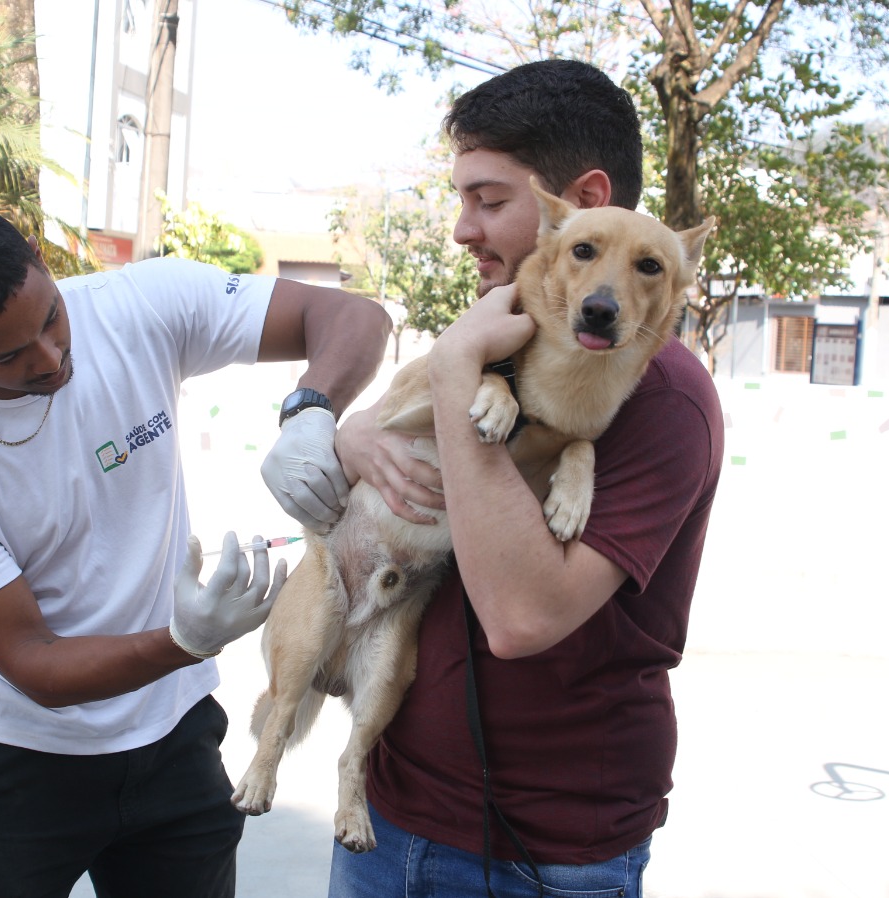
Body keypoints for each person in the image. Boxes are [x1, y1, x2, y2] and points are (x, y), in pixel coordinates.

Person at [0, 206, 390, 898]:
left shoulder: (138, 304)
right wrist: (187, 639)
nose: (50, 359)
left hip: (173, 739)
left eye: (51, 318)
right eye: (6, 356)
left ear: (40, 258)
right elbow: (37, 666)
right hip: (14, 760)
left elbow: (354, 316)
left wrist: (312, 409)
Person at [329, 59, 724, 897]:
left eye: (489, 200)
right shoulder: (507, 340)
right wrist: (348, 435)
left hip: (540, 856)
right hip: (392, 815)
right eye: (462, 200)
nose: (463, 230)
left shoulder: (663, 399)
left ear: (579, 202)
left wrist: (451, 378)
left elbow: (519, 617)